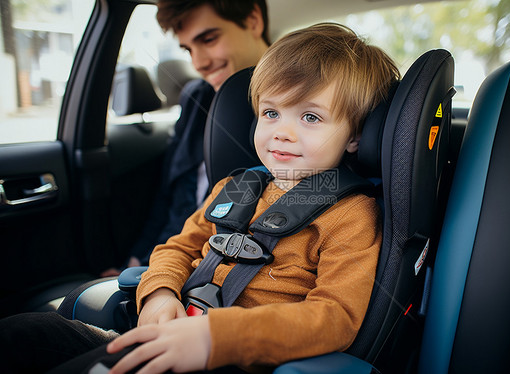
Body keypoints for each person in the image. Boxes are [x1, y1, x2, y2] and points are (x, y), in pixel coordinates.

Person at [0, 23, 400, 373]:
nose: (282, 132)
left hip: (233, 358)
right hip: (170, 332)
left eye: (310, 117)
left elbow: (336, 319)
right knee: (25, 330)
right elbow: (178, 248)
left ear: (354, 137)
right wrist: (159, 293)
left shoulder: (351, 215)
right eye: (271, 112)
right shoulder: (239, 186)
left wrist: (214, 337)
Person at [101, 0, 270, 275]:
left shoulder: (299, 108)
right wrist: (136, 262)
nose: (198, 62)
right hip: (166, 259)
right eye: (188, 49)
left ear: (253, 20)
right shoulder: (196, 98)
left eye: (209, 39)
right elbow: (169, 193)